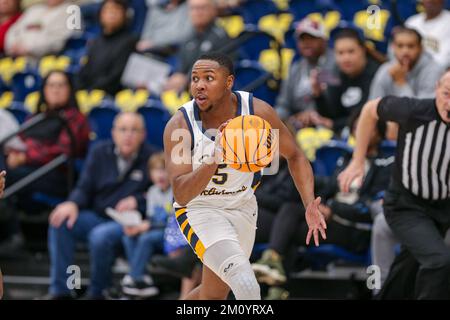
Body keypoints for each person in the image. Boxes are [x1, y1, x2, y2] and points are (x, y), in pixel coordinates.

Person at [163, 52, 326, 300]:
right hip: (200, 210)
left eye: (209, 78)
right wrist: (216, 158)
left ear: (229, 83)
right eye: (195, 79)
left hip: (243, 207)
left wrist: (309, 203)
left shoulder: (258, 112)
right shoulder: (180, 125)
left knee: (213, 294)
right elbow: (182, 194)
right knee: (247, 286)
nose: (200, 85)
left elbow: (296, 156)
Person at [252, 111, 392, 299]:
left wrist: (332, 209)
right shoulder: (346, 159)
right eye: (357, 127)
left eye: (367, 127)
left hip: (355, 229)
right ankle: (275, 274)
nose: (361, 131)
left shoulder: (385, 163)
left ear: (380, 132)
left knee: (288, 225)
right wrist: (320, 203)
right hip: (332, 220)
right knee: (291, 215)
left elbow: (373, 207)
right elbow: (329, 190)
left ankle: (275, 275)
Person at [338, 70, 450, 299]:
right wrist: (357, 160)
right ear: (437, 88)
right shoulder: (414, 110)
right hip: (405, 205)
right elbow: (369, 110)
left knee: (406, 272)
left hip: (442, 209)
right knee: (439, 261)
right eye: (447, 94)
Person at [45, 112, 155, 300]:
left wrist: (138, 200)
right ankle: (61, 290)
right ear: (113, 133)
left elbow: (162, 193)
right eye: (123, 129)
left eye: (134, 130)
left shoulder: (152, 157)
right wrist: (72, 203)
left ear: (143, 134)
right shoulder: (99, 152)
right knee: (60, 221)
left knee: (100, 236)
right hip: (97, 215)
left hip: (128, 223)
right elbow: (84, 186)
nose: (128, 135)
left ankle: (97, 292)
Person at [121, 152, 172, 298]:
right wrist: (137, 227)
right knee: (128, 237)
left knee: (146, 238)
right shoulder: (152, 192)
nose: (160, 175)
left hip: (170, 235)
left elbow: (174, 223)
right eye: (156, 170)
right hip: (154, 231)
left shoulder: (176, 191)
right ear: (150, 174)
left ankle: (132, 278)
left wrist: (148, 226)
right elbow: (150, 217)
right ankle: (143, 279)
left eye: (164, 170)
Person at [313, 27, 380, 136]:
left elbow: (368, 115)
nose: (346, 58)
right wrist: (318, 94)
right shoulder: (337, 73)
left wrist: (335, 125)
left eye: (351, 52)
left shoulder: (376, 74)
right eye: (340, 53)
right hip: (343, 133)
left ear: (363, 50)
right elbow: (332, 114)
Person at [275, 17, 335, 129]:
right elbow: (283, 103)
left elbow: (333, 100)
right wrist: (279, 119)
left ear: (324, 40)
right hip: (297, 125)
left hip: (327, 123)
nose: (306, 43)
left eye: (312, 38)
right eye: (302, 39)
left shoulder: (335, 63)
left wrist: (310, 112)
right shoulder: (295, 68)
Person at [163, 0, 230, 93]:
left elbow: (217, 73)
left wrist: (185, 80)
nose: (197, 13)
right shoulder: (188, 38)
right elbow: (180, 68)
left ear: (214, 10)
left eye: (202, 8)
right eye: (193, 9)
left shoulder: (221, 38)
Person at [77, 0, 137, 96]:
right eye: (107, 10)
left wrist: (91, 90)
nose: (111, 13)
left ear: (125, 15)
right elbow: (84, 70)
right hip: (88, 93)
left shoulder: (129, 42)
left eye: (116, 10)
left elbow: (115, 78)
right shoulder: (95, 41)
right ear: (100, 14)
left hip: (110, 96)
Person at [369, 27, 444, 100]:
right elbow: (373, 103)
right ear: (393, 47)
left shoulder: (433, 70)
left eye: (411, 46)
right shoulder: (386, 69)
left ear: (421, 48)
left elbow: (423, 110)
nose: (405, 51)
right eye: (400, 46)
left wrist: (401, 83)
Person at [5, 0, 74, 59]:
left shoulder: (70, 11)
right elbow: (13, 31)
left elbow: (58, 41)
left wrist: (28, 48)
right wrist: (13, 45)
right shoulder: (34, 10)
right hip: (17, 59)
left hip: (48, 61)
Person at [405, 0, 450, 68]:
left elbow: (443, 60)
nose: (430, 1)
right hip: (411, 70)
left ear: (442, 1)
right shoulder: (412, 22)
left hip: (441, 72)